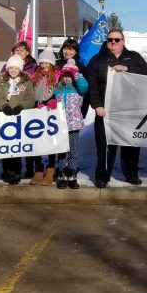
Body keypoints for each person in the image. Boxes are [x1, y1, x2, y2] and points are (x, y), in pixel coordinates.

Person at [85, 29, 147, 188]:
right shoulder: (97, 60)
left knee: (130, 143)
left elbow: (146, 72)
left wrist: (128, 68)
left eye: (117, 40)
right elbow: (92, 85)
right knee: (105, 145)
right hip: (106, 111)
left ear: (123, 41)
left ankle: (131, 174)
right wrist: (97, 105)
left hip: (129, 109)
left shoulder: (133, 57)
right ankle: (103, 176)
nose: (113, 43)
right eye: (110, 40)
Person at [0, 54, 36, 184]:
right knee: (6, 145)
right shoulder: (2, 81)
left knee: (17, 145)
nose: (13, 71)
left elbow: (30, 99)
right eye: (11, 68)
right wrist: (4, 106)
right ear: (7, 69)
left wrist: (21, 106)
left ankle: (17, 171)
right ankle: (7, 171)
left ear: (20, 69)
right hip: (5, 116)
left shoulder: (26, 81)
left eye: (16, 68)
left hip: (20, 117)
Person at [54, 59, 88, 189]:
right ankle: (62, 175)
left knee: (73, 151)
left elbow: (84, 86)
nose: (67, 79)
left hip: (74, 125)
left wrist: (76, 73)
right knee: (62, 151)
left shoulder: (79, 89)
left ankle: (72, 176)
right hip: (61, 125)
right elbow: (53, 101)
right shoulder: (58, 89)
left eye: (70, 76)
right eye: (65, 76)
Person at [30, 48, 60, 185]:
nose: (44, 66)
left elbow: (59, 93)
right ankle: (38, 170)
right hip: (37, 110)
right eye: (42, 63)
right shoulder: (35, 76)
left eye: (47, 64)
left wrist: (52, 101)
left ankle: (51, 170)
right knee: (37, 142)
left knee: (50, 142)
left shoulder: (56, 76)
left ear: (52, 65)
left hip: (50, 112)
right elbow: (32, 92)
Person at [56, 38, 90, 118]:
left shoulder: (80, 67)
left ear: (76, 51)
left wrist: (83, 111)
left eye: (71, 49)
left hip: (73, 110)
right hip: (57, 107)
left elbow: (86, 90)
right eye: (65, 49)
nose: (67, 52)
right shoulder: (56, 64)